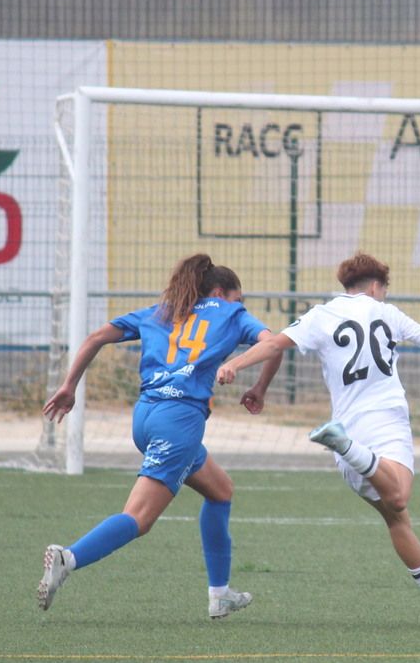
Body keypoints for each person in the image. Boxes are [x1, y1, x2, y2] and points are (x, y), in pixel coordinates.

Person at [216, 253, 420, 621]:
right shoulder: (388, 313)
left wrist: (235, 364)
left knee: (396, 516)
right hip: (386, 423)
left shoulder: (321, 315)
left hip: (350, 423)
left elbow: (273, 345)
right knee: (398, 496)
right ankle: (346, 446)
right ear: (377, 286)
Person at [38, 254, 281, 619]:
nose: (239, 305)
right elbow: (273, 344)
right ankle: (68, 557)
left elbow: (96, 336)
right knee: (139, 518)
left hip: (146, 418)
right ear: (219, 291)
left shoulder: (163, 311)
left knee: (220, 491)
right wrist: (259, 387)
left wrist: (70, 385)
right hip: (179, 420)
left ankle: (220, 594)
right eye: (238, 297)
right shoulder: (231, 314)